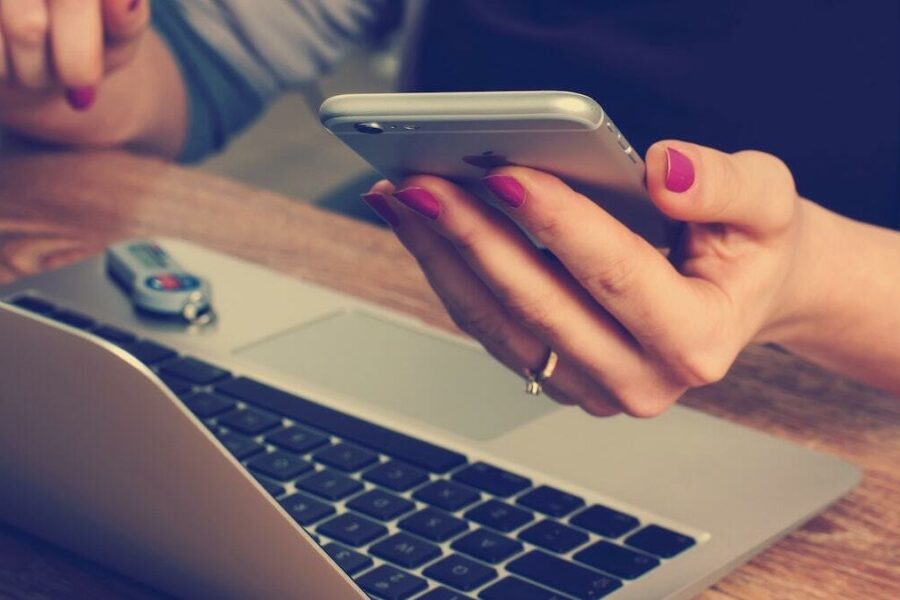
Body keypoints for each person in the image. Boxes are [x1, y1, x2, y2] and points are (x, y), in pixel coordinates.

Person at [0, 0, 897, 417]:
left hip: (831, 411)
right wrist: (71, 64)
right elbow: (197, 69)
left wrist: (813, 277)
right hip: (412, 315)